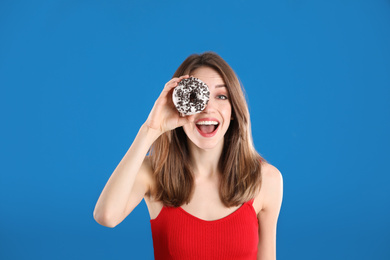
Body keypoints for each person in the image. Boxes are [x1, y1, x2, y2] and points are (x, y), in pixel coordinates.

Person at [93, 51, 283, 260]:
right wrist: (150, 130)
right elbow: (106, 216)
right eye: (195, 97)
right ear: (179, 106)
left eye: (221, 96)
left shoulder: (266, 180)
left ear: (234, 110)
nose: (208, 108)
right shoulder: (154, 174)